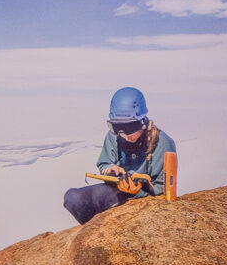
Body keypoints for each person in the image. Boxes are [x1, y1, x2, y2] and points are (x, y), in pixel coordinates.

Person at [63, 86, 179, 224]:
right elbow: (104, 162)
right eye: (118, 127)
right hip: (116, 191)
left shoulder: (164, 144)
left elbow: (165, 189)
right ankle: (94, 231)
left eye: (131, 128)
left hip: (145, 198)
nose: (125, 135)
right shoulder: (114, 136)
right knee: (73, 198)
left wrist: (142, 189)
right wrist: (109, 170)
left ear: (143, 121)